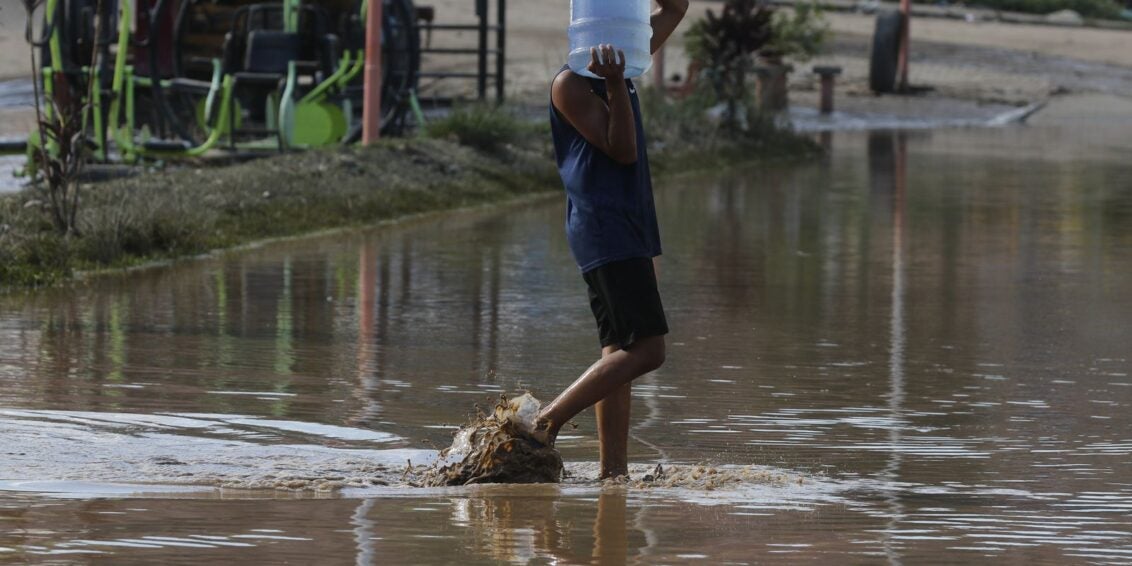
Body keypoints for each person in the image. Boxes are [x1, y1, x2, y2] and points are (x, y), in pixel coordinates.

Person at [532, 0, 689, 480]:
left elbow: (677, 7)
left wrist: (623, 70)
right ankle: (546, 422)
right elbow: (621, 151)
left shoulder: (628, 59)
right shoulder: (571, 84)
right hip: (606, 229)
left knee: (618, 350)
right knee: (648, 350)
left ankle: (612, 473)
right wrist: (618, 83)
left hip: (627, 225)